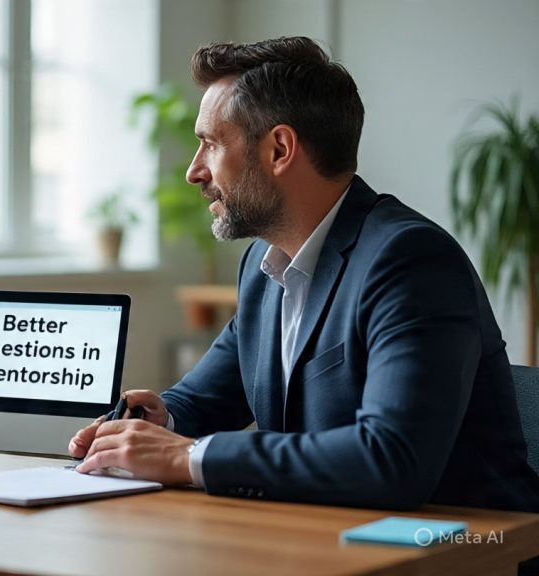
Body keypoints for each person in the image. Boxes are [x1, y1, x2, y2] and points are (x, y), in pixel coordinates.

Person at [69, 37, 539, 513]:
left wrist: (188, 457)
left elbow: (392, 459)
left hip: (466, 548)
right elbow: (204, 398)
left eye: (210, 144)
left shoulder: (409, 260)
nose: (194, 171)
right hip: (325, 536)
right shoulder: (262, 263)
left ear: (279, 149)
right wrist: (156, 422)